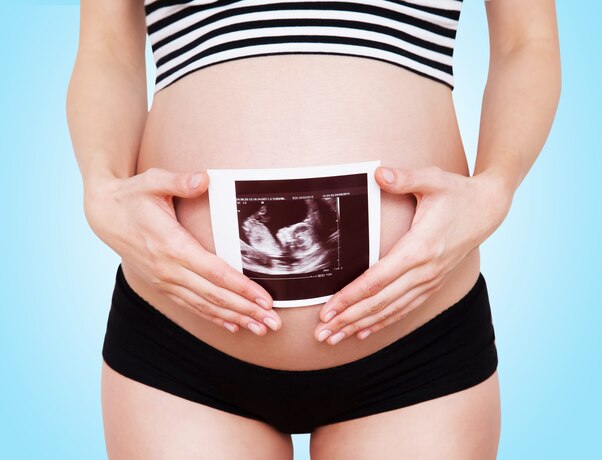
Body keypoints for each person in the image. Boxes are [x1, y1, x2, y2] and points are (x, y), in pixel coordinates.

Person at [66, 0, 560, 458]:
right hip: (181, 342)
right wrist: (101, 189)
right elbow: (107, 50)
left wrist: (495, 187)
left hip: (416, 341)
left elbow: (527, 42)